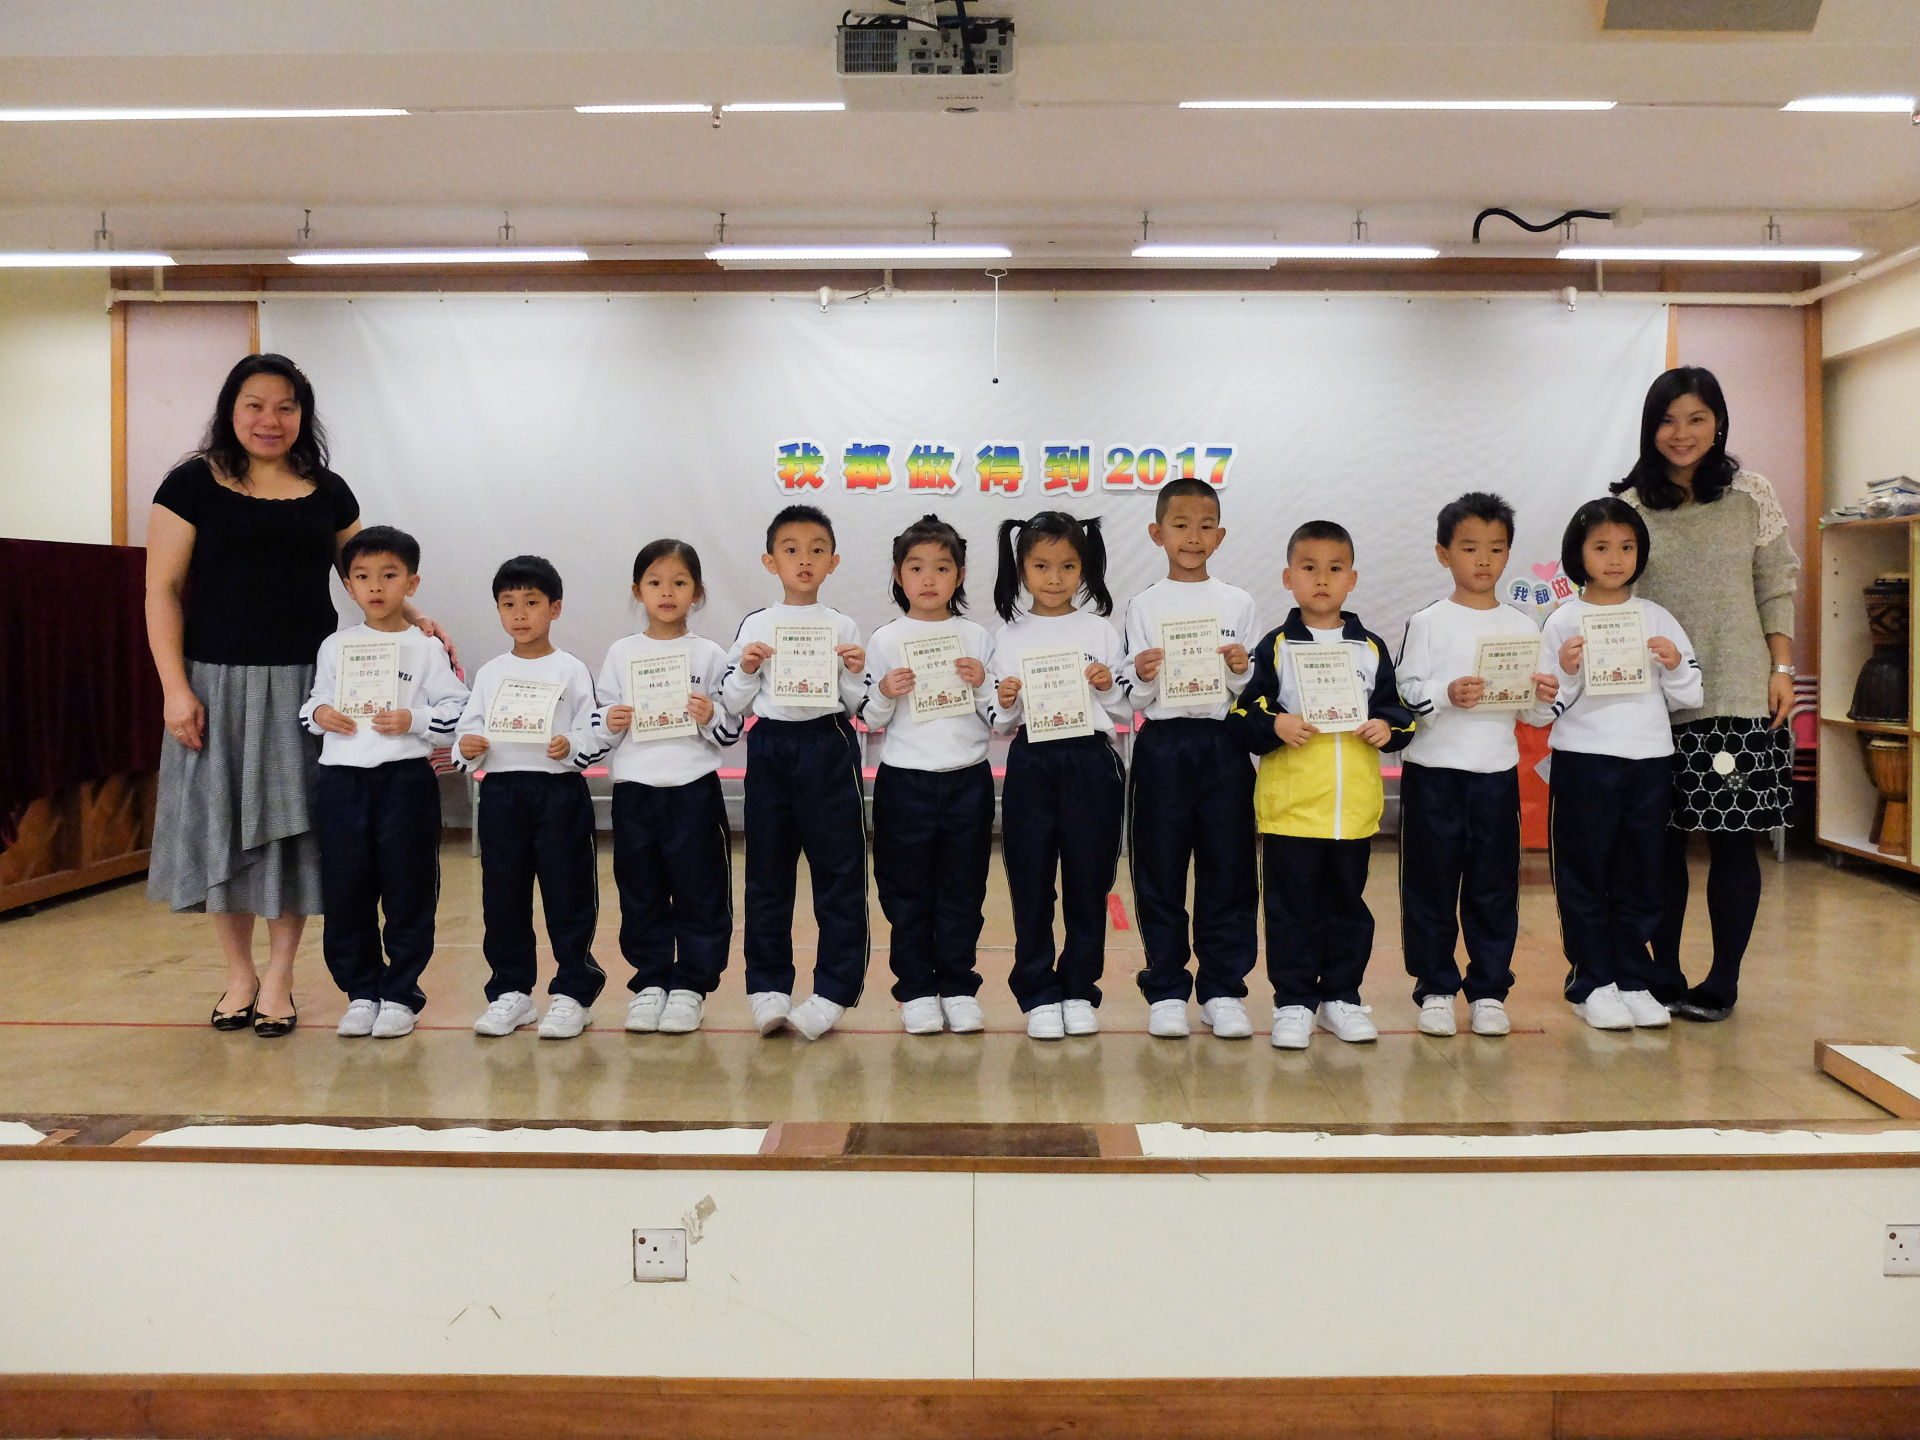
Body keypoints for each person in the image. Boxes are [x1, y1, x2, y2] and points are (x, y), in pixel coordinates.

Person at [144, 353, 454, 1038]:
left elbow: (370, 572)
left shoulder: (328, 490)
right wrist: (174, 688)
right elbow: (160, 590)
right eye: (254, 405)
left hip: (310, 688)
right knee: (224, 829)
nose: (270, 420)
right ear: (230, 409)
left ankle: (281, 977)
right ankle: (239, 975)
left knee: (294, 832)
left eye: (286, 407)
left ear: (302, 416)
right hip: (215, 683)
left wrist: (417, 620)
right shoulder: (190, 484)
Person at [1611, 367, 1800, 1023]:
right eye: (1667, 420)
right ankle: (1662, 969)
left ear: (1718, 422)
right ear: (1650, 427)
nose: (1682, 433)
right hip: (1651, 701)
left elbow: (1776, 584)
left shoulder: (1752, 494)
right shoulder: (1630, 506)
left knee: (1732, 839)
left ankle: (1723, 979)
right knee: (1657, 843)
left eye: (1696, 418)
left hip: (1736, 694)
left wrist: (1782, 667)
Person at [1227, 520, 1415, 1051]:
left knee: (1347, 907)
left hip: (1352, 810)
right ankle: (1293, 1003)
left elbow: (1397, 712)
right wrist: (1277, 725)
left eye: (1335, 569)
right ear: (1288, 578)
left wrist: (1387, 728)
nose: (1322, 579)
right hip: (1291, 810)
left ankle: (1341, 998)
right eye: (1309, 568)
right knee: (1291, 909)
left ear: (1352, 579)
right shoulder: (1275, 646)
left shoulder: (1370, 648)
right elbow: (1244, 713)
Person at [1523, 499, 1702, 1032]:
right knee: (1584, 872)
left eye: (1626, 547)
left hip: (1649, 761)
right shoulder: (1563, 620)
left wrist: (1674, 664)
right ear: (1578, 555)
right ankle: (1591, 982)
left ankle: (1633, 979)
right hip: (1584, 761)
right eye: (1601, 547)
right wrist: (1567, 670)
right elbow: (1541, 709)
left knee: (1643, 872)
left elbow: (1690, 694)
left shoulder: (1656, 617)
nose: (1615, 558)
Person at [1394, 493, 1560, 1038]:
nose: (1483, 559)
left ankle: (1489, 990)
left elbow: (1534, 712)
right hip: (1433, 773)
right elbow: (1404, 691)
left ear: (1508, 553)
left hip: (1495, 774)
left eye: (1496, 548)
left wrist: (1543, 696)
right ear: (1444, 554)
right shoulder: (1427, 622)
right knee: (1431, 885)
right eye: (1469, 548)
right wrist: (1447, 693)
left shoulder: (1523, 626)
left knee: (1494, 886)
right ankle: (1436, 988)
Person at [300, 526, 468, 1039]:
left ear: (411, 583)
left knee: (407, 887)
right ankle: (360, 992)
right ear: (348, 587)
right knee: (346, 888)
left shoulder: (426, 648)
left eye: (389, 575)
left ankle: (400, 994)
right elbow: (314, 701)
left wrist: (415, 720)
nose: (376, 586)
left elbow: (458, 709)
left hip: (404, 782)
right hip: (342, 782)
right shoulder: (336, 645)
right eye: (363, 576)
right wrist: (321, 713)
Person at [720, 505, 871, 1042]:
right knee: (767, 871)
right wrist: (747, 669)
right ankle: (767, 988)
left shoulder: (842, 625)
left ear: (833, 561)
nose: (804, 559)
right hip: (772, 747)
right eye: (791, 550)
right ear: (771, 561)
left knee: (839, 873)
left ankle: (833, 990)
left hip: (828, 744)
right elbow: (732, 703)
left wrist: (853, 672)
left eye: (816, 550)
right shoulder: (756, 624)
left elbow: (855, 702)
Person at [1116, 478, 1260, 1040]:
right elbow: (1131, 696)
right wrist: (1143, 674)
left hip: (1224, 745)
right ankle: (1167, 988)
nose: (1193, 537)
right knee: (1160, 869)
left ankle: (1223, 989)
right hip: (1163, 745)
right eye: (1180, 525)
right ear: (1158, 533)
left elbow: (1252, 689)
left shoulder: (1238, 602)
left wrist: (1242, 669)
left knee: (1229, 869)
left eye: (1205, 527)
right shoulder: (1144, 604)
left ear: (1220, 536)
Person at [986, 511, 1132, 1041]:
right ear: (1022, 569)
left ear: (1084, 568)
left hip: (1091, 760)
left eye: (1068, 566)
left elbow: (1124, 707)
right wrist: (1006, 700)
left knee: (1089, 882)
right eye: (1041, 566)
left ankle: (1078, 988)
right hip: (1032, 761)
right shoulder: (1007, 635)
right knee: (1031, 883)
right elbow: (999, 722)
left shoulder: (1099, 630)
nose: (1054, 578)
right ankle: (1038, 992)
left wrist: (1107, 684)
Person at [452, 556, 609, 1040]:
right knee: (503, 897)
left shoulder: (571, 669)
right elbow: (468, 731)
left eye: (532, 603)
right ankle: (511, 992)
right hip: (502, 792)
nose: (520, 614)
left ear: (555, 608)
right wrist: (468, 748)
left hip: (557, 792)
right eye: (508, 604)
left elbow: (592, 731)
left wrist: (572, 747)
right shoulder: (491, 672)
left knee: (568, 893)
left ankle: (573, 993)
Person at [592, 539, 742, 1036]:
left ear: (697, 592)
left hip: (693, 789)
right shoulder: (622, 653)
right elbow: (600, 722)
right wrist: (610, 720)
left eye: (679, 583)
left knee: (701, 889)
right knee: (641, 889)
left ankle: (692, 986)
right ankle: (651, 981)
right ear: (638, 591)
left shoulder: (710, 654)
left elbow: (730, 730)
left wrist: (710, 714)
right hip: (635, 790)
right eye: (655, 582)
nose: (667, 592)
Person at [863, 514, 996, 1035]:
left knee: (964, 889)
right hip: (905, 781)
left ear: (959, 576)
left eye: (942, 568)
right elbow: (871, 719)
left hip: (967, 779)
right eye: (916, 567)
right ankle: (916, 989)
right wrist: (884, 693)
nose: (928, 579)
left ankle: (959, 986)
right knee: (906, 892)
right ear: (899, 576)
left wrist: (983, 684)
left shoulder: (975, 636)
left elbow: (997, 715)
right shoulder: (886, 638)